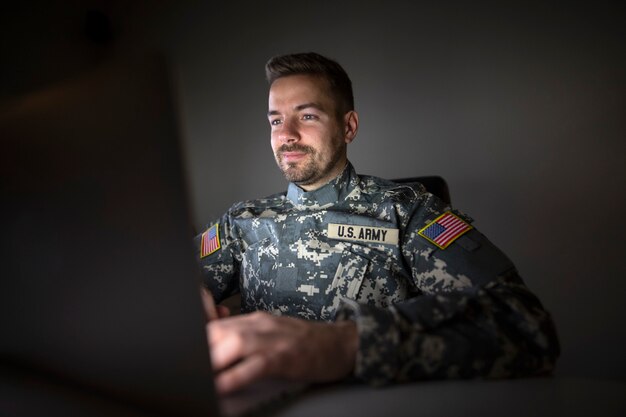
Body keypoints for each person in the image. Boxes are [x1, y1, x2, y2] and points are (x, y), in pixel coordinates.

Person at [195, 52, 559, 395]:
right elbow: (162, 297)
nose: (286, 133)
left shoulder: (406, 212)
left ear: (348, 125)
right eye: (276, 120)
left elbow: (526, 325)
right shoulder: (241, 221)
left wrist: (346, 345)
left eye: (307, 116)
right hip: (260, 401)